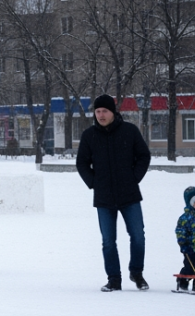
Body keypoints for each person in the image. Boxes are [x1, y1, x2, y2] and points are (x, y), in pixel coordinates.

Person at [76, 94, 152, 292]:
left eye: (105, 111)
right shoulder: (89, 135)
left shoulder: (129, 131)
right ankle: (114, 279)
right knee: (108, 241)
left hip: (129, 195)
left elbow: (144, 155)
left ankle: (136, 272)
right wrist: (93, 182)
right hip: (104, 197)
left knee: (138, 236)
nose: (101, 115)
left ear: (113, 112)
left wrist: (133, 177)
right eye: (98, 111)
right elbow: (81, 162)